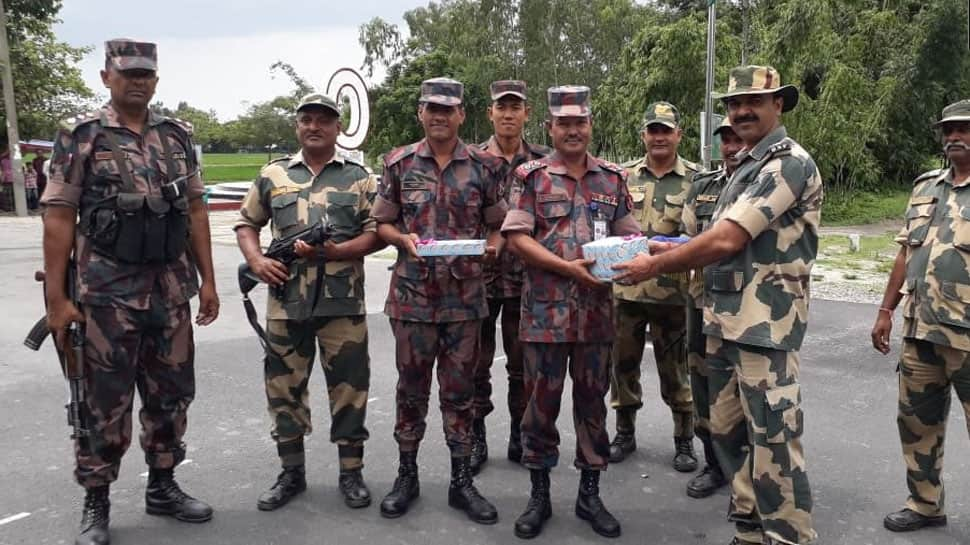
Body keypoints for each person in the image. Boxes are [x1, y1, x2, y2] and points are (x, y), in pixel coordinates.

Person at [613, 65, 821, 545]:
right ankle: (749, 527)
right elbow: (709, 235)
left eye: (753, 101)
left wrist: (655, 267)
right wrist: (669, 249)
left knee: (774, 442)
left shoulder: (786, 163)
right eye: (732, 104)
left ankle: (790, 536)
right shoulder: (744, 167)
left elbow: (728, 238)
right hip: (724, 320)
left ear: (779, 105)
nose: (741, 111)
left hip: (765, 325)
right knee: (726, 432)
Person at [41, 39, 219, 545]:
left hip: (170, 292)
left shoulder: (176, 136)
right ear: (106, 77)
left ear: (156, 81)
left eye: (146, 74)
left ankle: (162, 486)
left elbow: (196, 211)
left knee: (171, 395)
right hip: (107, 294)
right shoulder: (82, 135)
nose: (138, 81)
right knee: (104, 403)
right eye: (127, 73)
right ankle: (97, 501)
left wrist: (207, 281)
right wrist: (57, 298)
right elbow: (58, 216)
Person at [234, 93, 384, 512]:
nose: (314, 126)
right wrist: (257, 260)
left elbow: (377, 232)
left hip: (343, 304)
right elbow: (247, 223)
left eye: (324, 120)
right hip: (286, 304)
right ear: (297, 127)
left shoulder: (358, 177)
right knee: (283, 390)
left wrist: (336, 252)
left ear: (338, 128)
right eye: (307, 120)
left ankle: (351, 473)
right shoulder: (274, 175)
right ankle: (291, 473)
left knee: (350, 391)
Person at [502, 85, 640, 539]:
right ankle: (538, 495)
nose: (573, 130)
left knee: (592, 405)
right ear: (550, 128)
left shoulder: (612, 179)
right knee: (538, 408)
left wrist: (637, 259)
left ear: (590, 125)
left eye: (580, 121)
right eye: (564, 123)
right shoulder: (531, 176)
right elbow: (516, 238)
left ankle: (589, 494)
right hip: (544, 316)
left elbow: (629, 235)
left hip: (596, 317)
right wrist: (567, 268)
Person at [370, 77, 506, 524]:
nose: (439, 116)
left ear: (462, 115)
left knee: (460, 393)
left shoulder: (484, 167)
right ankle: (406, 475)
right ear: (421, 113)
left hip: (465, 300)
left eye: (448, 109)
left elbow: (497, 225)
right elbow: (382, 224)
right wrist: (401, 238)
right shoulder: (399, 163)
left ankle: (461, 481)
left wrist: (492, 247)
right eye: (432, 108)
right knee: (411, 391)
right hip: (412, 299)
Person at [871, 98, 970, 533]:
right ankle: (925, 503)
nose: (954, 137)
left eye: (964, 129)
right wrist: (886, 309)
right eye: (948, 130)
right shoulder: (926, 186)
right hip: (920, 329)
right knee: (916, 422)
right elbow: (905, 251)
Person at [609, 101, 700, 469]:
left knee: (676, 369)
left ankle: (683, 439)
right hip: (627, 289)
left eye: (666, 130)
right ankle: (624, 432)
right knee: (622, 365)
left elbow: (700, 235)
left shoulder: (697, 178)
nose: (659, 137)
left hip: (672, 293)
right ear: (644, 134)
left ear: (678, 134)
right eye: (653, 130)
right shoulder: (622, 176)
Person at [472, 79, 550, 472]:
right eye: (500, 107)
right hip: (480, 279)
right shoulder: (471, 159)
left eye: (514, 107)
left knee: (523, 365)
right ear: (490, 113)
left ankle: (520, 434)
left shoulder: (542, 160)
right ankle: (475, 436)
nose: (507, 113)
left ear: (526, 113)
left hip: (526, 280)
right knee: (475, 364)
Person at [680, 117, 743, 499]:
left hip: (749, 307)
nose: (732, 146)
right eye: (726, 140)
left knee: (747, 386)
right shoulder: (703, 186)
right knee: (703, 380)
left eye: (737, 138)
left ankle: (749, 469)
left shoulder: (764, 182)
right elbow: (688, 239)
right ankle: (714, 462)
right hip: (702, 301)